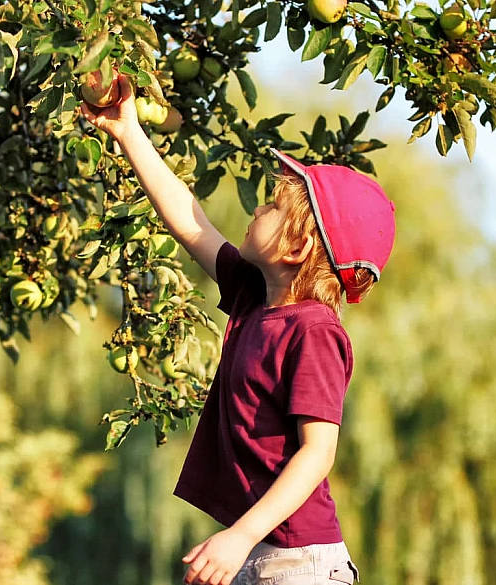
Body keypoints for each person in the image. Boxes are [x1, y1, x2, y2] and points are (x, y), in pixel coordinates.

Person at [80, 74, 395, 585]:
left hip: (300, 563)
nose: (257, 207)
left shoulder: (313, 331)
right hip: (263, 553)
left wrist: (241, 535)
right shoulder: (253, 299)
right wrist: (129, 131)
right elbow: (188, 220)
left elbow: (318, 451)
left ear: (296, 250)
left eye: (272, 207)